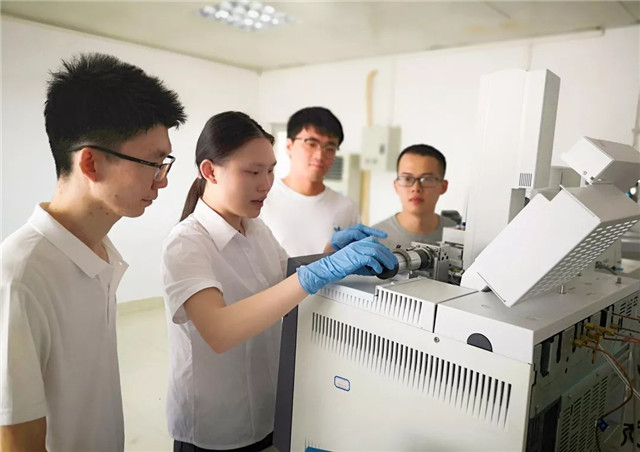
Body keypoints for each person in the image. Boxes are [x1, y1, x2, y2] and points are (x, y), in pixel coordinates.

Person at [162, 111, 396, 452]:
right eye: (253, 172)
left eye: (270, 171)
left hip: (265, 412)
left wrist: (331, 254)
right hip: (214, 426)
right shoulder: (187, 243)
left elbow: (284, 283)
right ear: (210, 171)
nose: (266, 184)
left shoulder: (255, 229)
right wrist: (317, 272)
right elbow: (219, 330)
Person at [0, 53, 186, 451]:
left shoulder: (100, 252)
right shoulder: (20, 276)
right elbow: (16, 439)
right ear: (91, 163)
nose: (162, 181)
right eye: (153, 162)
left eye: (165, 162)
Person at [260, 106, 360, 256]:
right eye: (311, 144)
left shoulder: (346, 208)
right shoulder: (262, 200)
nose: (320, 155)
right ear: (289, 146)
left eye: (330, 148)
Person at [372, 144, 455, 249]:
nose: (416, 188)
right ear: (396, 185)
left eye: (427, 179)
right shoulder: (374, 240)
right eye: (407, 178)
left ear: (443, 186)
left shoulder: (460, 238)